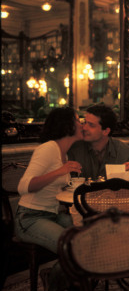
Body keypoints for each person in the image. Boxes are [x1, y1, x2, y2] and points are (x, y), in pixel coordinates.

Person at [15, 107, 83, 253]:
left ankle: (56, 274)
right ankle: (53, 276)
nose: (81, 123)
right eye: (78, 120)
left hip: (52, 215)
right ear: (67, 125)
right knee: (69, 247)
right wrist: (61, 171)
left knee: (87, 235)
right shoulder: (48, 149)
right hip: (30, 218)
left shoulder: (65, 155)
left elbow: (54, 188)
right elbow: (23, 186)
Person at [68, 104, 129, 180]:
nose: (84, 127)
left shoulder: (123, 151)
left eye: (91, 125)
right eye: (84, 122)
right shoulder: (75, 149)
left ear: (106, 131)